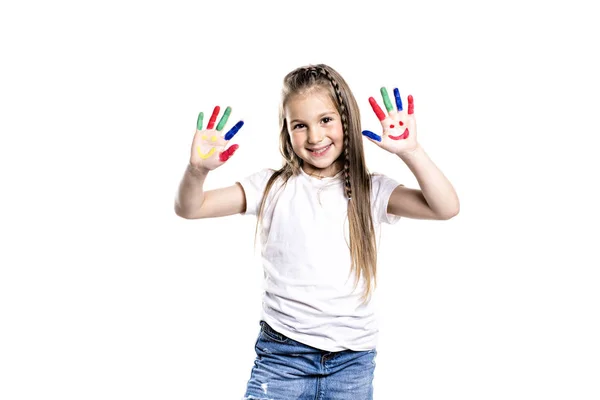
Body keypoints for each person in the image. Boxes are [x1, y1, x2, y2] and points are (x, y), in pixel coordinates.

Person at [174, 64, 459, 400]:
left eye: (325, 120)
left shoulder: (370, 191)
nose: (314, 136)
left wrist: (412, 151)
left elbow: (445, 207)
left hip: (352, 363)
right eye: (300, 125)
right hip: (282, 358)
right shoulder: (270, 187)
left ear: (346, 120)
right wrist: (196, 170)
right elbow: (190, 208)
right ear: (286, 130)